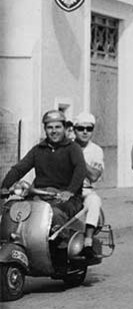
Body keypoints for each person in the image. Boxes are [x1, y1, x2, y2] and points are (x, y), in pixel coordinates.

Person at [1, 110, 87, 235]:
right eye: (49, 127)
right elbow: (19, 169)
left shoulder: (73, 148)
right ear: (45, 129)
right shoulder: (38, 149)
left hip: (66, 199)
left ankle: (61, 248)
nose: (54, 131)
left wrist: (70, 191)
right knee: (11, 208)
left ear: (64, 128)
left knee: (54, 214)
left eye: (58, 127)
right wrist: (4, 186)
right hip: (40, 195)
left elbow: (80, 169)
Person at [73, 112, 104, 261]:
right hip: (66, 190)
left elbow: (94, 176)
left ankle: (88, 242)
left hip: (86, 190)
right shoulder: (68, 146)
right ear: (74, 129)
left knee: (94, 201)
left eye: (89, 129)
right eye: (80, 128)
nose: (85, 132)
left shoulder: (96, 150)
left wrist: (79, 160)